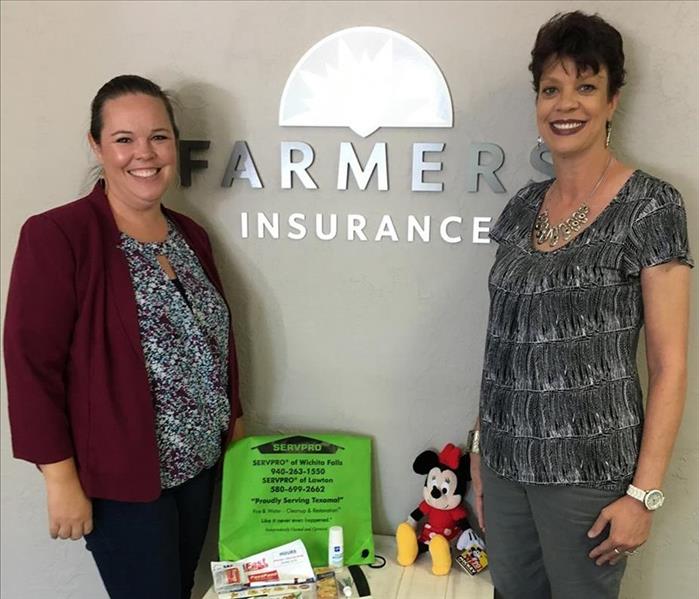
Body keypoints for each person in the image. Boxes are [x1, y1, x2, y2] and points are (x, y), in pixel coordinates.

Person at [466, 12, 693, 599]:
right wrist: (480, 451)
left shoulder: (651, 207)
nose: (567, 104)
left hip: (589, 477)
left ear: (614, 99)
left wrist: (643, 496)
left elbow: (669, 366)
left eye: (586, 86)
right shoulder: (521, 208)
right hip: (506, 462)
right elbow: (502, 344)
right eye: (552, 88)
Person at [4, 75, 244, 599]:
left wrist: (235, 417)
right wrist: (59, 478)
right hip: (124, 480)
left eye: (158, 137)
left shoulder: (190, 235)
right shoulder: (59, 236)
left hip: (199, 468)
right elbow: (31, 365)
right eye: (124, 139)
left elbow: (213, 337)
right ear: (97, 144)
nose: (145, 154)